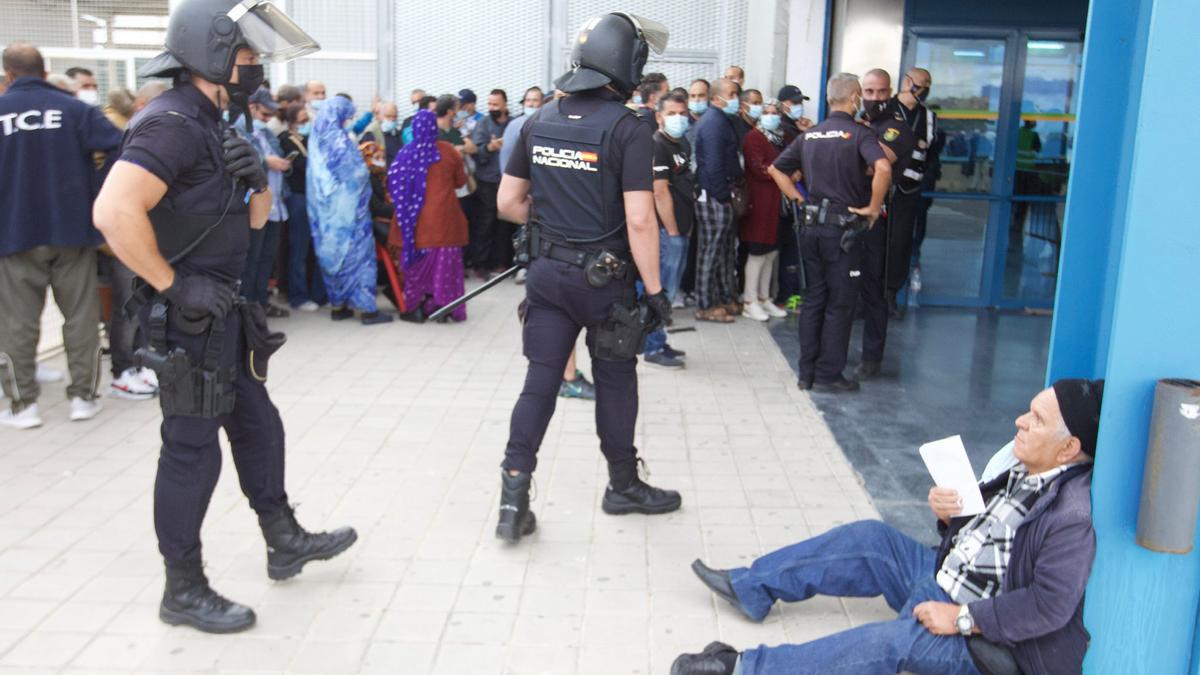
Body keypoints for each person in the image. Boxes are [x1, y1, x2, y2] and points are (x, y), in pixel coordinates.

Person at [91, 0, 356, 634]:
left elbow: (256, 220)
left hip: (224, 312)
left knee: (260, 428)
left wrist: (256, 181)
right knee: (190, 454)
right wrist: (173, 284)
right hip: (190, 318)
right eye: (247, 56)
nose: (256, 67)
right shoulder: (172, 123)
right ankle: (182, 588)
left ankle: (283, 539)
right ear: (210, 55)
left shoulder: (215, 121)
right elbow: (112, 214)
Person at [674, 379, 1104, 675]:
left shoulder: (1071, 515)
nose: (1020, 422)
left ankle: (744, 668)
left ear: (1068, 448)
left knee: (888, 644)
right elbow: (990, 538)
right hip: (943, 575)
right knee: (871, 539)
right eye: (1028, 412)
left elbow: (1048, 606)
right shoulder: (1022, 464)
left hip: (983, 636)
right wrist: (948, 515)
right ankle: (752, 588)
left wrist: (960, 619)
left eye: (1036, 420)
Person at [494, 11, 680, 544]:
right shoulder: (629, 128)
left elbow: (508, 202)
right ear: (628, 64)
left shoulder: (538, 119)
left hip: (547, 276)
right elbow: (641, 219)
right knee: (617, 381)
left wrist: (553, 219)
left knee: (540, 381)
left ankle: (512, 501)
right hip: (606, 282)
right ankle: (622, 486)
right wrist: (656, 291)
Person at [0, 44, 120, 429]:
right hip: (72, 229)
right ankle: (83, 398)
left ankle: (24, 406)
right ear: (45, 69)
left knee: (18, 322)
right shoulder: (75, 110)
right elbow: (121, 145)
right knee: (80, 317)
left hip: (14, 231)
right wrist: (97, 191)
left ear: (8, 74)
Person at [767, 73, 891, 393]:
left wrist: (798, 199)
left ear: (828, 99)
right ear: (854, 99)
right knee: (840, 303)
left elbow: (776, 169)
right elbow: (884, 168)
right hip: (842, 231)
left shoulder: (811, 135)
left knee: (814, 300)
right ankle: (828, 375)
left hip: (810, 228)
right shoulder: (859, 134)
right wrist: (874, 207)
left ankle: (806, 373)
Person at [307, 95, 391, 325]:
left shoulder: (318, 136)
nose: (349, 120)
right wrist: (368, 168)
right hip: (349, 215)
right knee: (359, 259)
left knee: (333, 258)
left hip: (325, 217)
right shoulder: (338, 140)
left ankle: (339, 306)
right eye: (347, 115)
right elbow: (356, 174)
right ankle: (367, 310)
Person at [856, 68, 916, 380]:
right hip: (848, 213)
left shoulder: (896, 129)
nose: (875, 98)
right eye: (869, 92)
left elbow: (873, 167)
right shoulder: (858, 125)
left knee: (873, 291)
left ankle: (871, 359)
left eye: (881, 92)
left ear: (890, 92)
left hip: (876, 218)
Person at [386, 109, 469, 322]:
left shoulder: (405, 154)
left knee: (416, 269)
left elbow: (393, 185)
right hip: (446, 224)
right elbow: (461, 182)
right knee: (446, 269)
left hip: (415, 227)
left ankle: (416, 307)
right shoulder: (448, 151)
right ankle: (445, 307)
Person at [644, 91, 695, 368]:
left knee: (670, 290)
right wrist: (673, 232)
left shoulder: (682, 143)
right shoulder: (657, 145)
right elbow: (660, 192)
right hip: (667, 233)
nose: (678, 118)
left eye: (682, 113)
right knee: (661, 289)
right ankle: (652, 347)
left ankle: (660, 340)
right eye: (671, 113)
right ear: (659, 116)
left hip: (680, 229)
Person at [885, 67, 938, 317]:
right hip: (882, 190)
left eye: (928, 84)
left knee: (901, 245)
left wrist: (926, 181)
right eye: (920, 83)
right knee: (875, 243)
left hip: (910, 191)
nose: (924, 88)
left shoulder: (929, 117)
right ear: (907, 82)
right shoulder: (885, 109)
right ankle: (866, 297)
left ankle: (890, 296)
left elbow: (931, 154)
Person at [238, 87, 292, 318]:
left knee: (266, 259)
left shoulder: (265, 133)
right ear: (251, 107)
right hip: (254, 206)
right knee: (252, 260)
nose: (268, 118)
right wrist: (264, 161)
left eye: (271, 114)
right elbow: (242, 162)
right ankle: (248, 308)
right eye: (264, 113)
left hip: (276, 205)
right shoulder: (237, 130)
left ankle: (261, 303)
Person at [692, 77, 743, 323]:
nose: (736, 99)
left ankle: (723, 297)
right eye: (732, 94)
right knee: (710, 251)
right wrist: (722, 196)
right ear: (716, 98)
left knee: (723, 251)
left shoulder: (721, 121)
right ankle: (705, 304)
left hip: (720, 194)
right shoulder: (714, 123)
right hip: (713, 196)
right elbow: (713, 165)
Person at [738, 99, 789, 322]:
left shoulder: (782, 137)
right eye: (766, 112)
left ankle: (764, 297)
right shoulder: (753, 137)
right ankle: (749, 300)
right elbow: (760, 169)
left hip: (777, 204)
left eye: (774, 112)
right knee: (757, 253)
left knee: (772, 253)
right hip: (759, 203)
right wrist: (784, 174)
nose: (770, 116)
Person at [277, 101, 325, 312]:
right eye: (303, 121)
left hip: (312, 198)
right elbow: (302, 167)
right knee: (298, 249)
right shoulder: (285, 141)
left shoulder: (308, 140)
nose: (307, 124)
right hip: (297, 198)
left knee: (312, 249)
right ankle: (297, 295)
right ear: (292, 122)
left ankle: (314, 293)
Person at [468, 88, 511, 277]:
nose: (492, 107)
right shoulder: (483, 124)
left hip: (508, 181)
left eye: (495, 104)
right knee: (486, 222)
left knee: (505, 224)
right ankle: (480, 263)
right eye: (490, 104)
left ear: (504, 104)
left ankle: (501, 262)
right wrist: (490, 147)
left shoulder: (512, 123)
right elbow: (476, 152)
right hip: (487, 181)